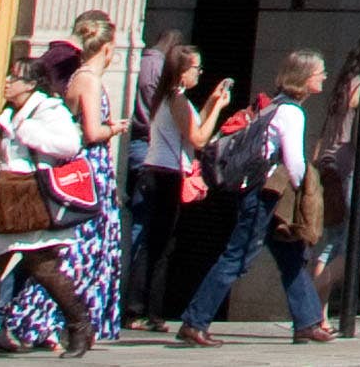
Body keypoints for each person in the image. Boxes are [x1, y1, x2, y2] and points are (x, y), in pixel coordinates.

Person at [171, 52, 326, 348]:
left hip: (258, 193)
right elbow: (295, 164)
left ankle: (307, 321)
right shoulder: (292, 112)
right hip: (263, 196)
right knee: (237, 258)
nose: (324, 77)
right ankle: (194, 321)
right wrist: (304, 193)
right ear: (305, 78)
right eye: (320, 72)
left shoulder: (274, 106)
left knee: (291, 255)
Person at [0, 52, 104, 360]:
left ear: (31, 84)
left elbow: (70, 144)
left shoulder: (48, 109)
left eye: (14, 77)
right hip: (5, 196)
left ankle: (80, 326)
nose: (7, 82)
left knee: (43, 268)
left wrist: (28, 132)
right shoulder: (10, 110)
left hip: (30, 198)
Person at [122, 45, 211, 332]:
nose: (199, 72)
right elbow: (198, 139)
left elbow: (192, 128)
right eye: (196, 68)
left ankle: (142, 310)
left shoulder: (170, 98)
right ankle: (147, 312)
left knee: (154, 243)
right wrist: (219, 108)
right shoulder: (176, 99)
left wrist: (213, 101)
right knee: (159, 246)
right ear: (182, 71)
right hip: (165, 175)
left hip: (158, 172)